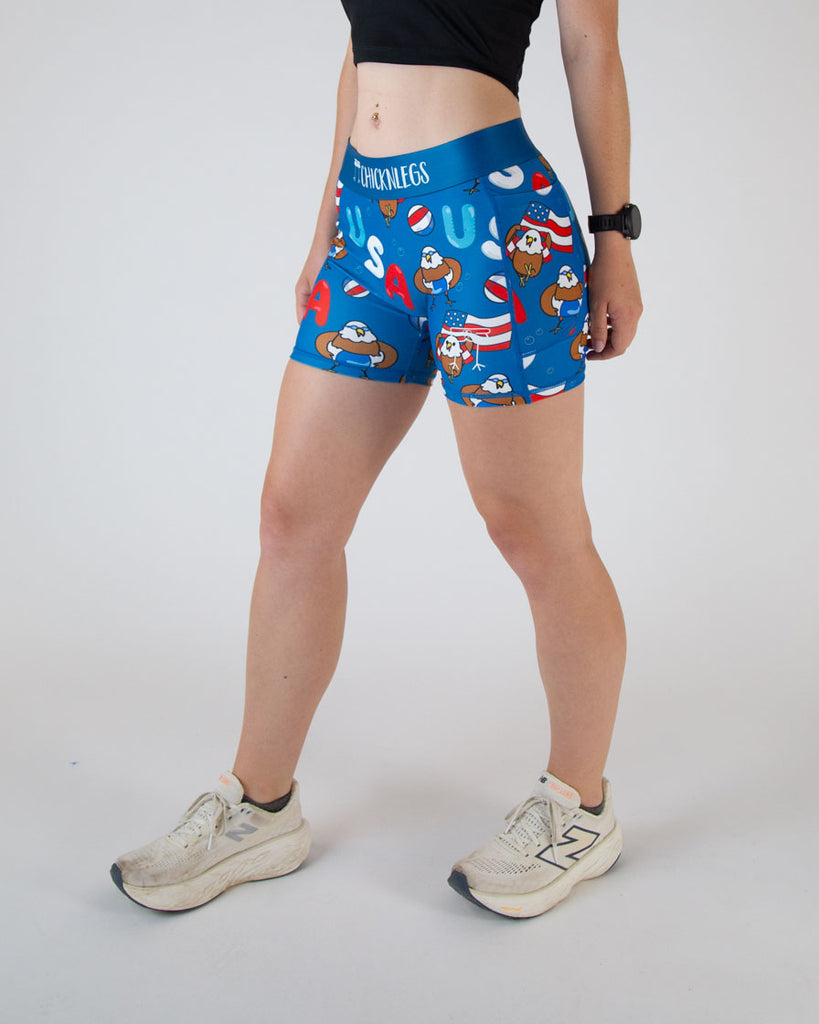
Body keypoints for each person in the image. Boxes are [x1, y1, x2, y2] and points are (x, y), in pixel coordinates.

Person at [110, 0, 643, 918]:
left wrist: (614, 236)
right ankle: (260, 807)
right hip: (368, 225)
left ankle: (579, 807)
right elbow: (362, 47)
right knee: (293, 516)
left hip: (490, 220)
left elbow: (591, 46)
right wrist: (327, 219)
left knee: (534, 529)